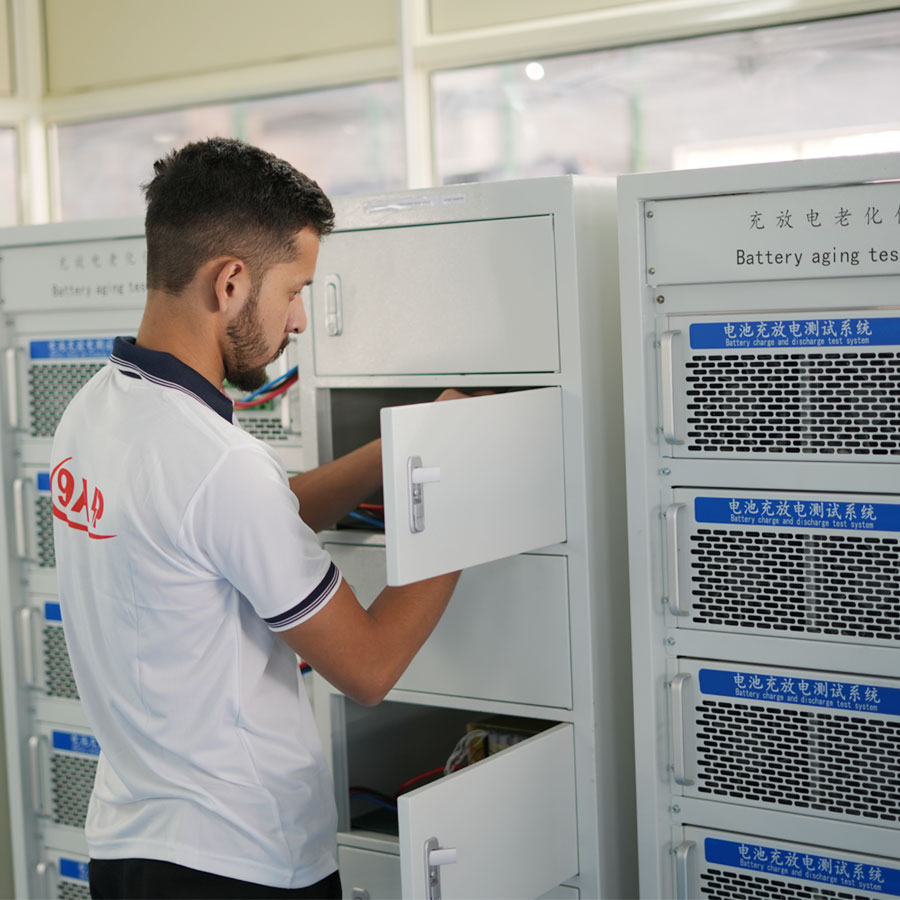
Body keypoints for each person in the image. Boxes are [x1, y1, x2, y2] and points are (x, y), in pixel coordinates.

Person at [50, 137, 462, 900]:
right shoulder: (218, 465)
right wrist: (466, 493)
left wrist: (401, 449)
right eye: (294, 290)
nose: (300, 320)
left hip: (129, 850)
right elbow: (369, 668)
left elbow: (236, 524)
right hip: (242, 862)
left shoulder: (93, 412)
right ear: (231, 282)